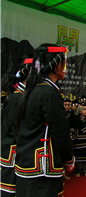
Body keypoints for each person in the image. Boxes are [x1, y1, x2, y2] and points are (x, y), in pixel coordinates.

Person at [15, 45, 74, 196]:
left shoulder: (31, 91)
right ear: (56, 64)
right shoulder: (49, 93)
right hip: (41, 168)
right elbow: (60, 131)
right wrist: (69, 159)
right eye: (64, 63)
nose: (65, 68)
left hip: (26, 163)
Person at [1, 56, 32, 197]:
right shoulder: (17, 98)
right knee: (10, 190)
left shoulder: (22, 96)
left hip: (17, 151)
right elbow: (16, 129)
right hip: (12, 152)